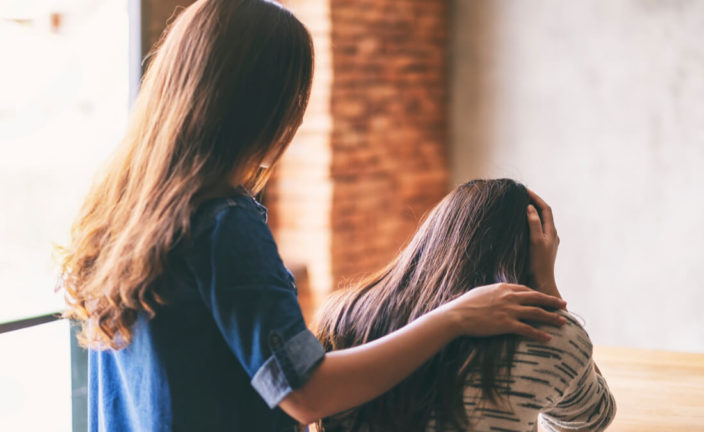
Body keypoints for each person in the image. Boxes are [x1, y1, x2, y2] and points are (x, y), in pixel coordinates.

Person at [56, 1, 567, 431]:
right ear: (262, 107)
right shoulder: (222, 223)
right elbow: (307, 391)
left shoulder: (122, 215)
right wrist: (454, 317)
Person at [315, 179, 616, 432]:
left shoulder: (344, 317)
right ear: (532, 254)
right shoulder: (550, 338)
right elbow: (591, 418)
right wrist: (547, 287)